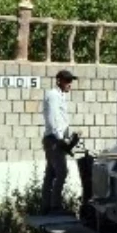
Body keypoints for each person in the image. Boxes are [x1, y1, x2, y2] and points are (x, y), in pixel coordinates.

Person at [40, 69, 77, 214]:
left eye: (70, 81)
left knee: (51, 173)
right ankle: (55, 206)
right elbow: (53, 117)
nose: (69, 84)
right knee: (61, 172)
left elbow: (62, 119)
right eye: (67, 81)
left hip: (55, 139)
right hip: (54, 140)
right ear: (59, 81)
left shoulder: (60, 96)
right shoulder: (53, 96)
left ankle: (45, 206)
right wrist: (60, 138)